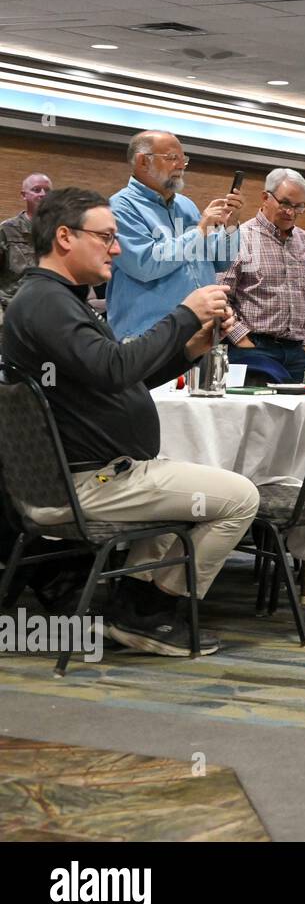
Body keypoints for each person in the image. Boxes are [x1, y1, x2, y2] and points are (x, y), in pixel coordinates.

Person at [1, 188, 258, 657]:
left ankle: (136, 611)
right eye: (106, 237)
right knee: (242, 498)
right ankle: (152, 611)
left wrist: (186, 349)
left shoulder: (53, 299)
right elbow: (116, 368)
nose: (116, 249)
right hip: (88, 483)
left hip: (95, 475)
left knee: (191, 494)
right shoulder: (47, 303)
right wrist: (184, 314)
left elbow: (117, 378)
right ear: (64, 237)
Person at [106, 130, 242, 338]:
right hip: (148, 337)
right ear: (143, 161)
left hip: (199, 333)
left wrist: (230, 225)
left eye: (183, 159)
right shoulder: (121, 207)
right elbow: (145, 265)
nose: (180, 165)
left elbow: (220, 261)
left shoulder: (186, 205)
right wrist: (200, 230)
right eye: (172, 158)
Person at [220, 168, 305, 382]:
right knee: (252, 415)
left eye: (299, 206)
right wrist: (240, 337)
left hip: (296, 352)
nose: (291, 212)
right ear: (265, 197)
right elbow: (221, 297)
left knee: (294, 416)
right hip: (252, 348)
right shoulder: (240, 238)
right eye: (286, 203)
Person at [0, 172, 52, 336]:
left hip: (48, 316)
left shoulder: (60, 232)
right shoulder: (7, 230)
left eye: (47, 191)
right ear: (24, 195)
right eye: (37, 190)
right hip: (12, 314)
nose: (43, 194)